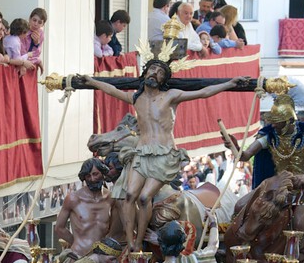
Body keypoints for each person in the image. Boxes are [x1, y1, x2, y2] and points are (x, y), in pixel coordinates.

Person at [84, 60, 250, 251]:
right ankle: (131, 243)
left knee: (144, 197)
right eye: (152, 69)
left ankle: (138, 243)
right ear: (145, 73)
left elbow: (203, 93)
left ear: (164, 79)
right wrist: (91, 81)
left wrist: (230, 84)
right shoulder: (137, 98)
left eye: (160, 72)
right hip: (142, 152)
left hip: (164, 154)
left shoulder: (171, 96)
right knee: (129, 195)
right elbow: (112, 90)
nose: (155, 73)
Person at [232, 90, 304, 263]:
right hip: (277, 191)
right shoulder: (268, 136)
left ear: (289, 121)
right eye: (272, 121)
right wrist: (233, 147)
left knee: (299, 219)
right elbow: (245, 156)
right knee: (242, 206)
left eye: (277, 122)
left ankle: (297, 262)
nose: (272, 125)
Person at [53, 158, 116, 263]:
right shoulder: (73, 198)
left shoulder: (110, 198)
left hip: (101, 258)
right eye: (88, 176)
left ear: (103, 173)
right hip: (78, 256)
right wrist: (76, 243)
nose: (92, 179)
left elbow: (113, 227)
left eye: (95, 174)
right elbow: (59, 228)